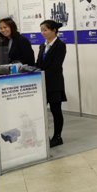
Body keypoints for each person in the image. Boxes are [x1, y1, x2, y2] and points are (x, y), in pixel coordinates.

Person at [36, 20, 67, 148]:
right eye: (41, 30)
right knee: (40, 110)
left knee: (56, 111)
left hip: (54, 83)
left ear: (54, 30)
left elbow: (56, 66)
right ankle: (42, 136)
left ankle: (57, 137)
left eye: (45, 30)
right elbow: (38, 63)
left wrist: (42, 74)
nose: (43, 33)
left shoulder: (60, 45)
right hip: (42, 83)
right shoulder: (42, 46)